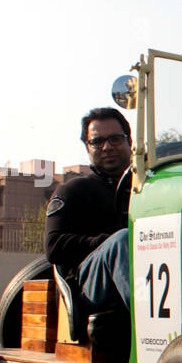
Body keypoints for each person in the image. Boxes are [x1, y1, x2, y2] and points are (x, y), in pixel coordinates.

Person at [45, 108, 132, 315]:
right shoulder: (73, 190)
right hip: (91, 285)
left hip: (149, 269)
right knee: (122, 240)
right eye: (97, 142)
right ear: (87, 147)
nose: (107, 147)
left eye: (115, 139)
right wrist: (105, 242)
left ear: (130, 141)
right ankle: (153, 329)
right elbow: (54, 246)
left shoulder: (150, 188)